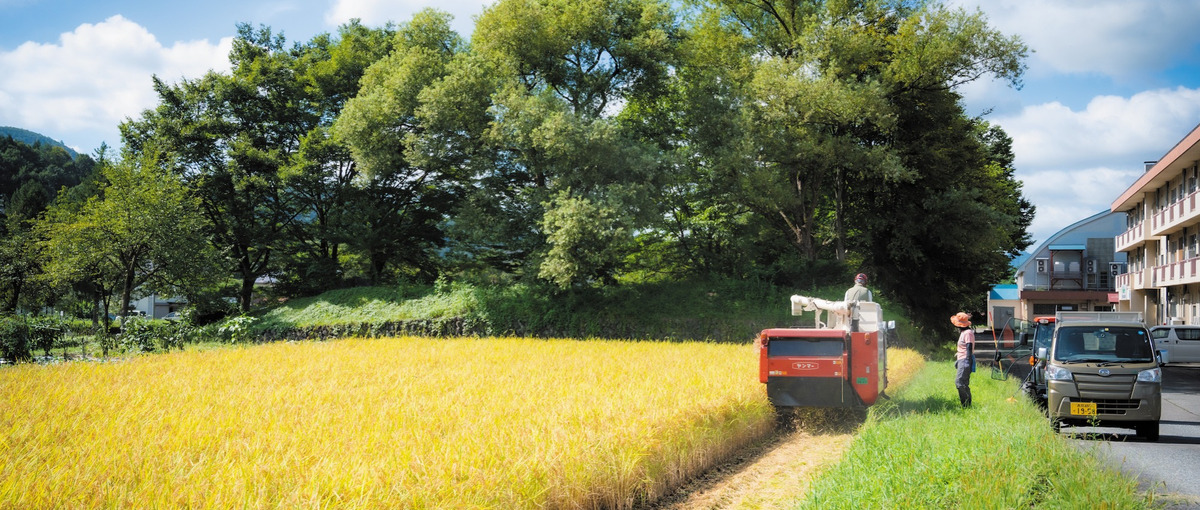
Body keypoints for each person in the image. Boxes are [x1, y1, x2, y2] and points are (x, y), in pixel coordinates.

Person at [951, 312, 974, 408]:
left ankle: (965, 405)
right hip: (962, 360)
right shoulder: (964, 333)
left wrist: (967, 362)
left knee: (959, 383)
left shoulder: (968, 333)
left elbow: (969, 347)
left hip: (965, 360)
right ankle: (967, 406)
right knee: (963, 383)